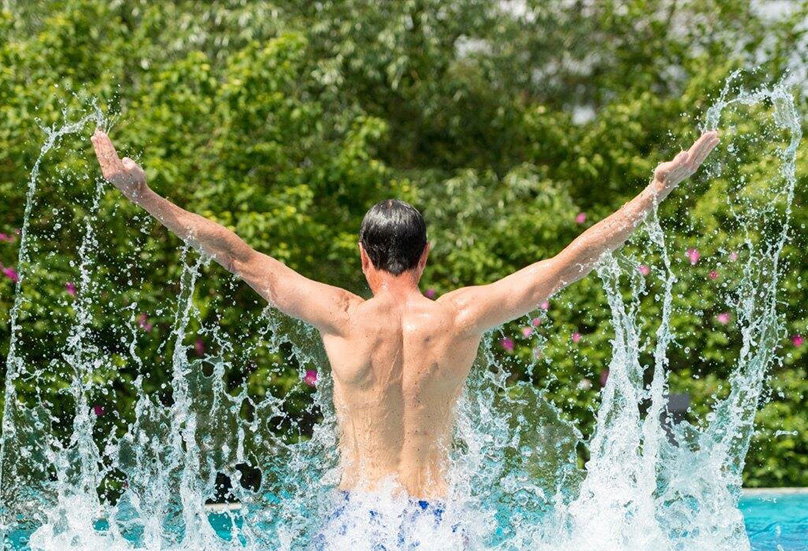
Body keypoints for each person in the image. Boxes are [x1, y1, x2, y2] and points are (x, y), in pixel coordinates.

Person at [91, 128, 718, 536]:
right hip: (436, 523)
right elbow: (567, 263)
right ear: (425, 257)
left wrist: (145, 194)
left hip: (355, 522)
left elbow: (237, 254)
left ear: (364, 257)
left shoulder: (341, 315)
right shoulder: (461, 317)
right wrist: (654, 190)